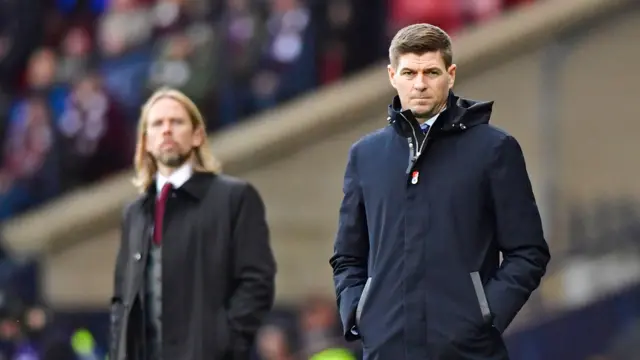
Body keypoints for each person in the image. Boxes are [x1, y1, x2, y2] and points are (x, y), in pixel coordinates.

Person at [330, 23, 550, 360]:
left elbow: (528, 251)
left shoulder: (494, 149)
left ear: (451, 74)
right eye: (409, 73)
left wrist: (484, 316)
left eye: (431, 72)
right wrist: (360, 314)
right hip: (386, 348)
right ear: (392, 76)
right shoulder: (365, 156)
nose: (419, 84)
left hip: (468, 352)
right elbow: (347, 256)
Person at [109, 87, 277, 360]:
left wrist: (224, 342)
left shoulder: (234, 197)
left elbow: (257, 282)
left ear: (197, 135)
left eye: (176, 122)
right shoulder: (135, 213)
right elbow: (121, 299)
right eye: (157, 124)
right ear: (146, 141)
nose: (166, 130)